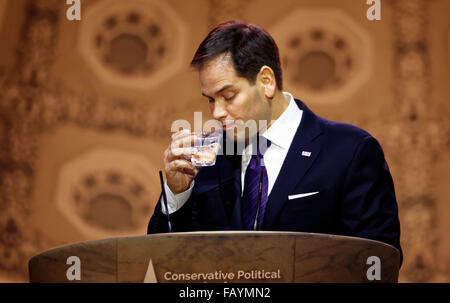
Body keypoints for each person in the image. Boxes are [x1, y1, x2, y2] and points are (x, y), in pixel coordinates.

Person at [147, 21, 402, 260]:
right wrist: (177, 193)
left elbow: (377, 260)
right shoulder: (209, 157)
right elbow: (165, 260)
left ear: (266, 82)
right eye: (211, 99)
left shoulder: (350, 151)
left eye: (228, 95)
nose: (217, 113)